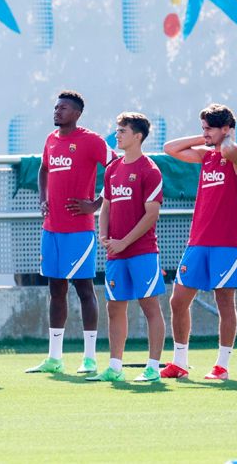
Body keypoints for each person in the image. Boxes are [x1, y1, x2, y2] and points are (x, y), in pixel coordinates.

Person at [162, 103, 237, 380]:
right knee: (178, 301)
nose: (204, 134)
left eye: (209, 128)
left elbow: (231, 151)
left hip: (226, 243)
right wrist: (205, 137)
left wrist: (224, 138)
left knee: (225, 302)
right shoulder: (206, 156)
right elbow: (170, 148)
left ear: (226, 129)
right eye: (202, 128)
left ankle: (222, 366)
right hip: (198, 241)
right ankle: (180, 362)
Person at [27, 91, 111, 376]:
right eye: (55, 107)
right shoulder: (51, 140)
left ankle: (89, 358)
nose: (57, 111)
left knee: (84, 289)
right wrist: (43, 197)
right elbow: (43, 169)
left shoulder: (91, 141)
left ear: (77, 113)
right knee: (55, 289)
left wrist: (96, 204)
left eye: (63, 108)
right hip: (52, 229)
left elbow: (116, 168)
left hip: (79, 230)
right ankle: (54, 357)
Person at [88, 113, 166, 383]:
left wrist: (125, 241)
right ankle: (115, 366)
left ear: (138, 136)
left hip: (142, 251)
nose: (117, 135)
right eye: (117, 130)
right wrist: (104, 233)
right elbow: (107, 204)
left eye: (123, 131)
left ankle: (153, 368)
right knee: (114, 307)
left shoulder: (150, 170)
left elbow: (151, 214)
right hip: (116, 253)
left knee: (149, 306)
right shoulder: (112, 169)